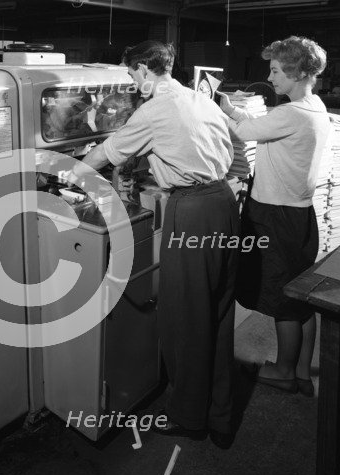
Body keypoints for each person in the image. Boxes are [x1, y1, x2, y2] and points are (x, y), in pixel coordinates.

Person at [69, 41, 239, 448]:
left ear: (145, 69)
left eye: (131, 74)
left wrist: (58, 174)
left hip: (192, 210)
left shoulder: (156, 108)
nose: (131, 82)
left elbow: (104, 154)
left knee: (183, 318)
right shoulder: (199, 99)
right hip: (222, 204)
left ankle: (186, 416)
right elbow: (214, 149)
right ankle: (219, 415)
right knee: (217, 311)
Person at [219, 36, 330, 396]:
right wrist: (235, 110)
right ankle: (300, 371)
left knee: (282, 298)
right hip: (299, 214)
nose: (271, 77)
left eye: (277, 71)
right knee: (299, 297)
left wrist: (220, 110)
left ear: (297, 74)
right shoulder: (313, 107)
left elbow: (246, 132)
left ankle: (282, 371)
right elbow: (260, 124)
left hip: (275, 215)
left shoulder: (290, 113)